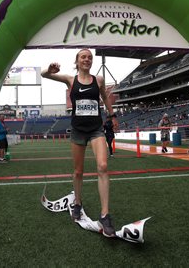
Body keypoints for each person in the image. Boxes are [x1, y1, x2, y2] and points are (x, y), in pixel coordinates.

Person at [41, 48, 118, 237]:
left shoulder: (98, 80)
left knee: (102, 165)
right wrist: (49, 69)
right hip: (78, 131)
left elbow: (105, 97)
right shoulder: (70, 79)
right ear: (77, 61)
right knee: (78, 171)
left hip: (96, 129)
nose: (87, 59)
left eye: (90, 57)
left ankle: (105, 215)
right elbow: (44, 74)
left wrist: (112, 114)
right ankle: (77, 202)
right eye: (83, 57)